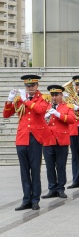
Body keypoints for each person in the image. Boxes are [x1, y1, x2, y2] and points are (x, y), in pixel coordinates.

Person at [4, 75, 51, 210]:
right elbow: (6, 115)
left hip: (35, 138)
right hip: (22, 137)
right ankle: (26, 199)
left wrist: (26, 100)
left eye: (32, 86)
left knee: (35, 169)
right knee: (24, 171)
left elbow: (40, 110)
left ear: (37, 86)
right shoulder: (19, 100)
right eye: (27, 86)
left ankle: (35, 199)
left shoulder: (43, 98)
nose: (30, 88)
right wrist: (9, 100)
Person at [42, 84, 76, 199]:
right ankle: (52, 188)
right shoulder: (46, 106)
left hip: (61, 140)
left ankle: (61, 188)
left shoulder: (67, 106)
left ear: (61, 95)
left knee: (61, 166)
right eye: (52, 95)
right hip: (48, 140)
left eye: (56, 95)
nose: (54, 97)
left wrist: (58, 114)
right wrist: (44, 116)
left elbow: (72, 120)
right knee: (50, 166)